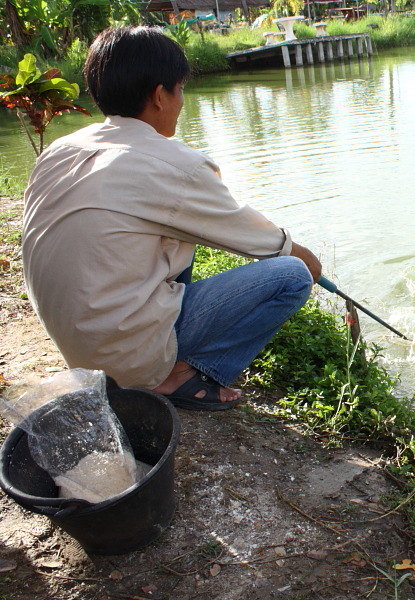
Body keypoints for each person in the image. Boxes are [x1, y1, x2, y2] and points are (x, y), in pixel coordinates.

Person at [22, 26, 322, 410]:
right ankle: (175, 376)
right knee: (292, 274)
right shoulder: (173, 165)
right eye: (180, 90)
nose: (181, 101)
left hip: (77, 346)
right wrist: (305, 257)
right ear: (159, 95)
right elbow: (260, 240)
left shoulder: (61, 150)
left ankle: (155, 356)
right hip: (121, 359)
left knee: (179, 231)